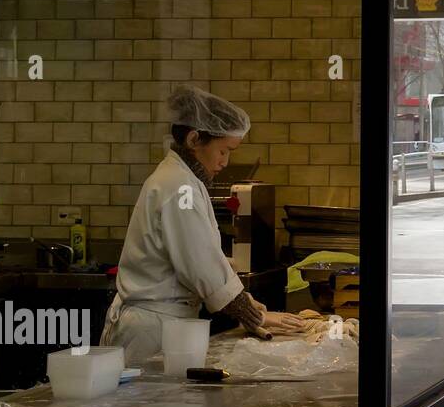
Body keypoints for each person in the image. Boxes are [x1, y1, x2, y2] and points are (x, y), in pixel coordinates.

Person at [100, 85, 305, 366]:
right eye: (223, 151)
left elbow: (200, 256)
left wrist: (243, 298)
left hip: (164, 323)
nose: (225, 162)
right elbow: (200, 263)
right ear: (195, 139)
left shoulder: (183, 181)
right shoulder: (178, 186)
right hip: (150, 330)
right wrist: (252, 314)